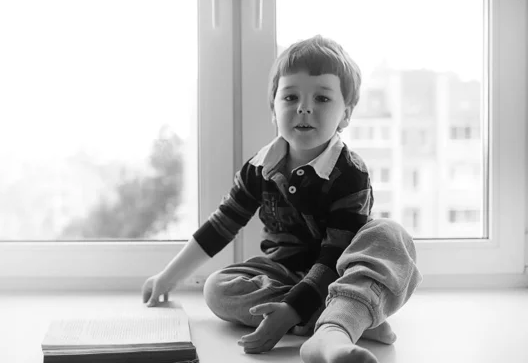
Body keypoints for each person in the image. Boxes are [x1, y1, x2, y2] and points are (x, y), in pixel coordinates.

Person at [142, 35, 422, 363]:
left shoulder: (349, 173)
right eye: (290, 97)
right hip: (283, 273)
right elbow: (221, 225)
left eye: (321, 98)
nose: (304, 107)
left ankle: (334, 327)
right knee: (217, 289)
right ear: (274, 110)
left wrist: (290, 313)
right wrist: (168, 276)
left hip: (339, 271)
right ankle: (346, 316)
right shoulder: (261, 167)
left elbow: (333, 254)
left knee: (389, 235)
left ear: (345, 115)